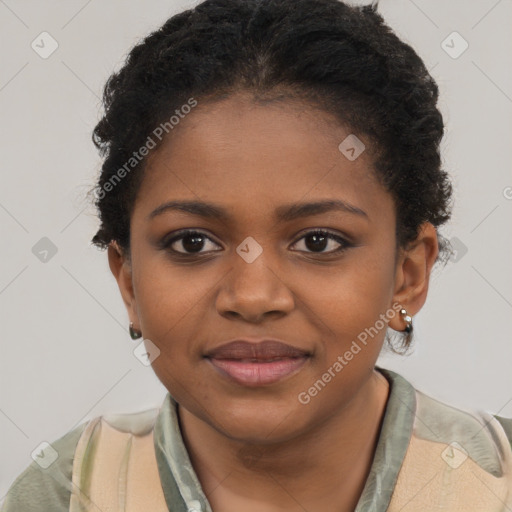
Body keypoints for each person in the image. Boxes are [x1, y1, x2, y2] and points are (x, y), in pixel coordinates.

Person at [3, 0, 512, 510]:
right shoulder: (65, 495)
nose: (252, 297)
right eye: (192, 243)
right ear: (130, 282)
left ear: (408, 275)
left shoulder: (495, 484)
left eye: (319, 242)